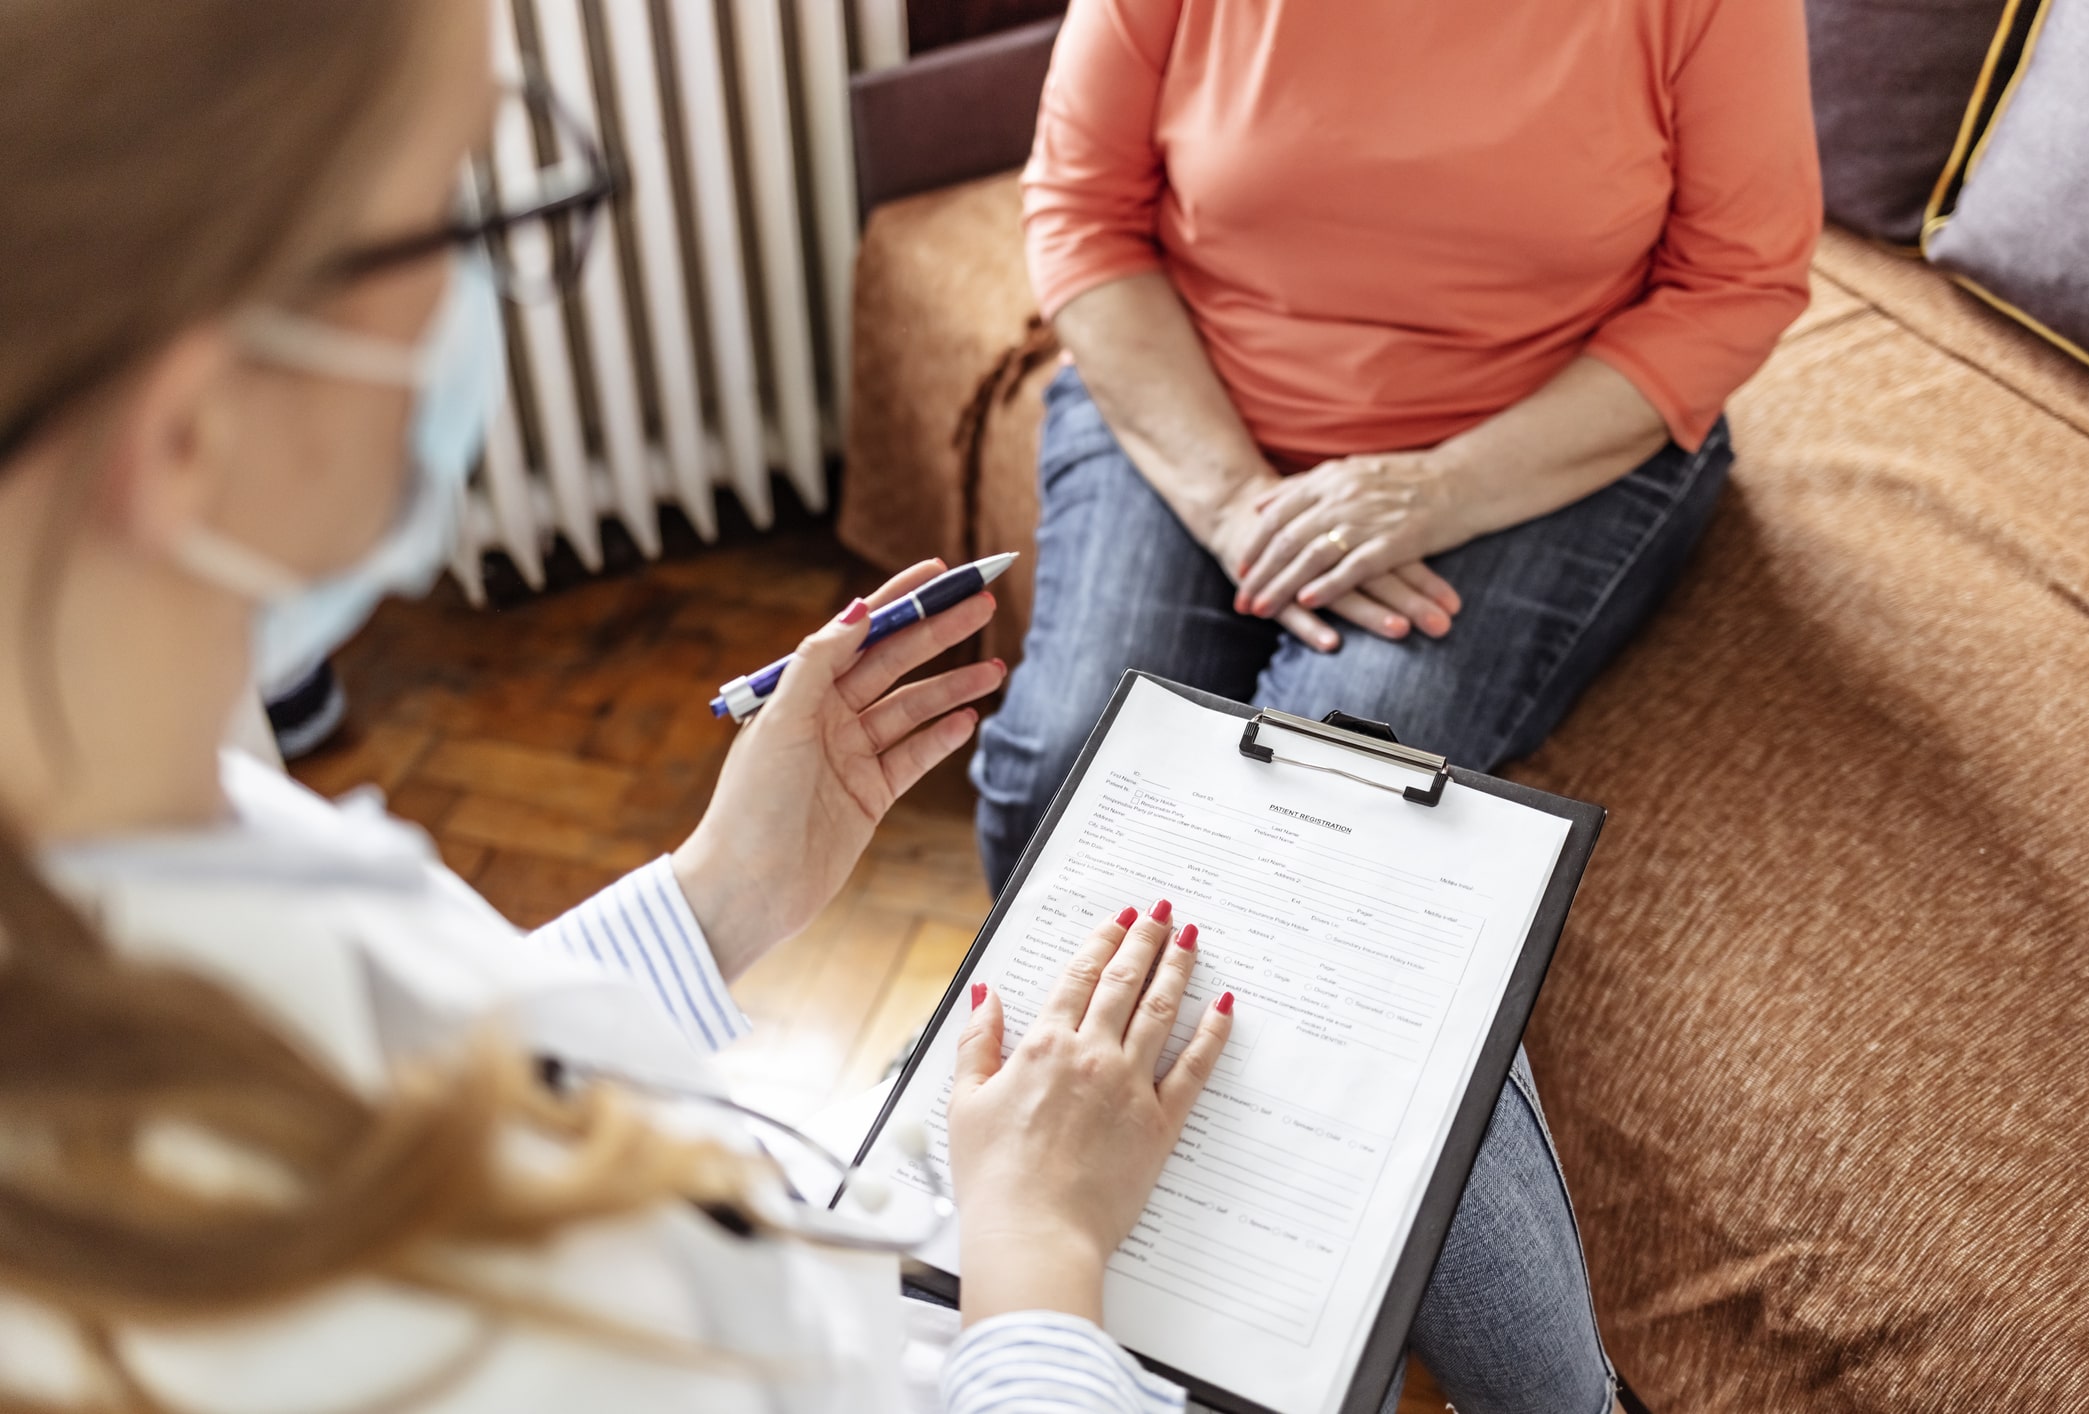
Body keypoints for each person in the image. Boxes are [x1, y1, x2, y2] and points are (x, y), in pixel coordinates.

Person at [0, 2, 1235, 1409]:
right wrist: (1041, 1255)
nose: (482, 293)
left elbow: (461, 1050)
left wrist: (712, 898)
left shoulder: (131, 782)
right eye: (453, 215)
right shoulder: (437, 1313)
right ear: (192, 429)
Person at [971, 2, 1823, 1409]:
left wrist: (1427, 489)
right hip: (1194, 403)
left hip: (1540, 436)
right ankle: (1095, 1266)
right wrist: (1238, 502)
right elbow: (1080, 213)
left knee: (1338, 809)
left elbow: (1736, 279)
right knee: (1063, 759)